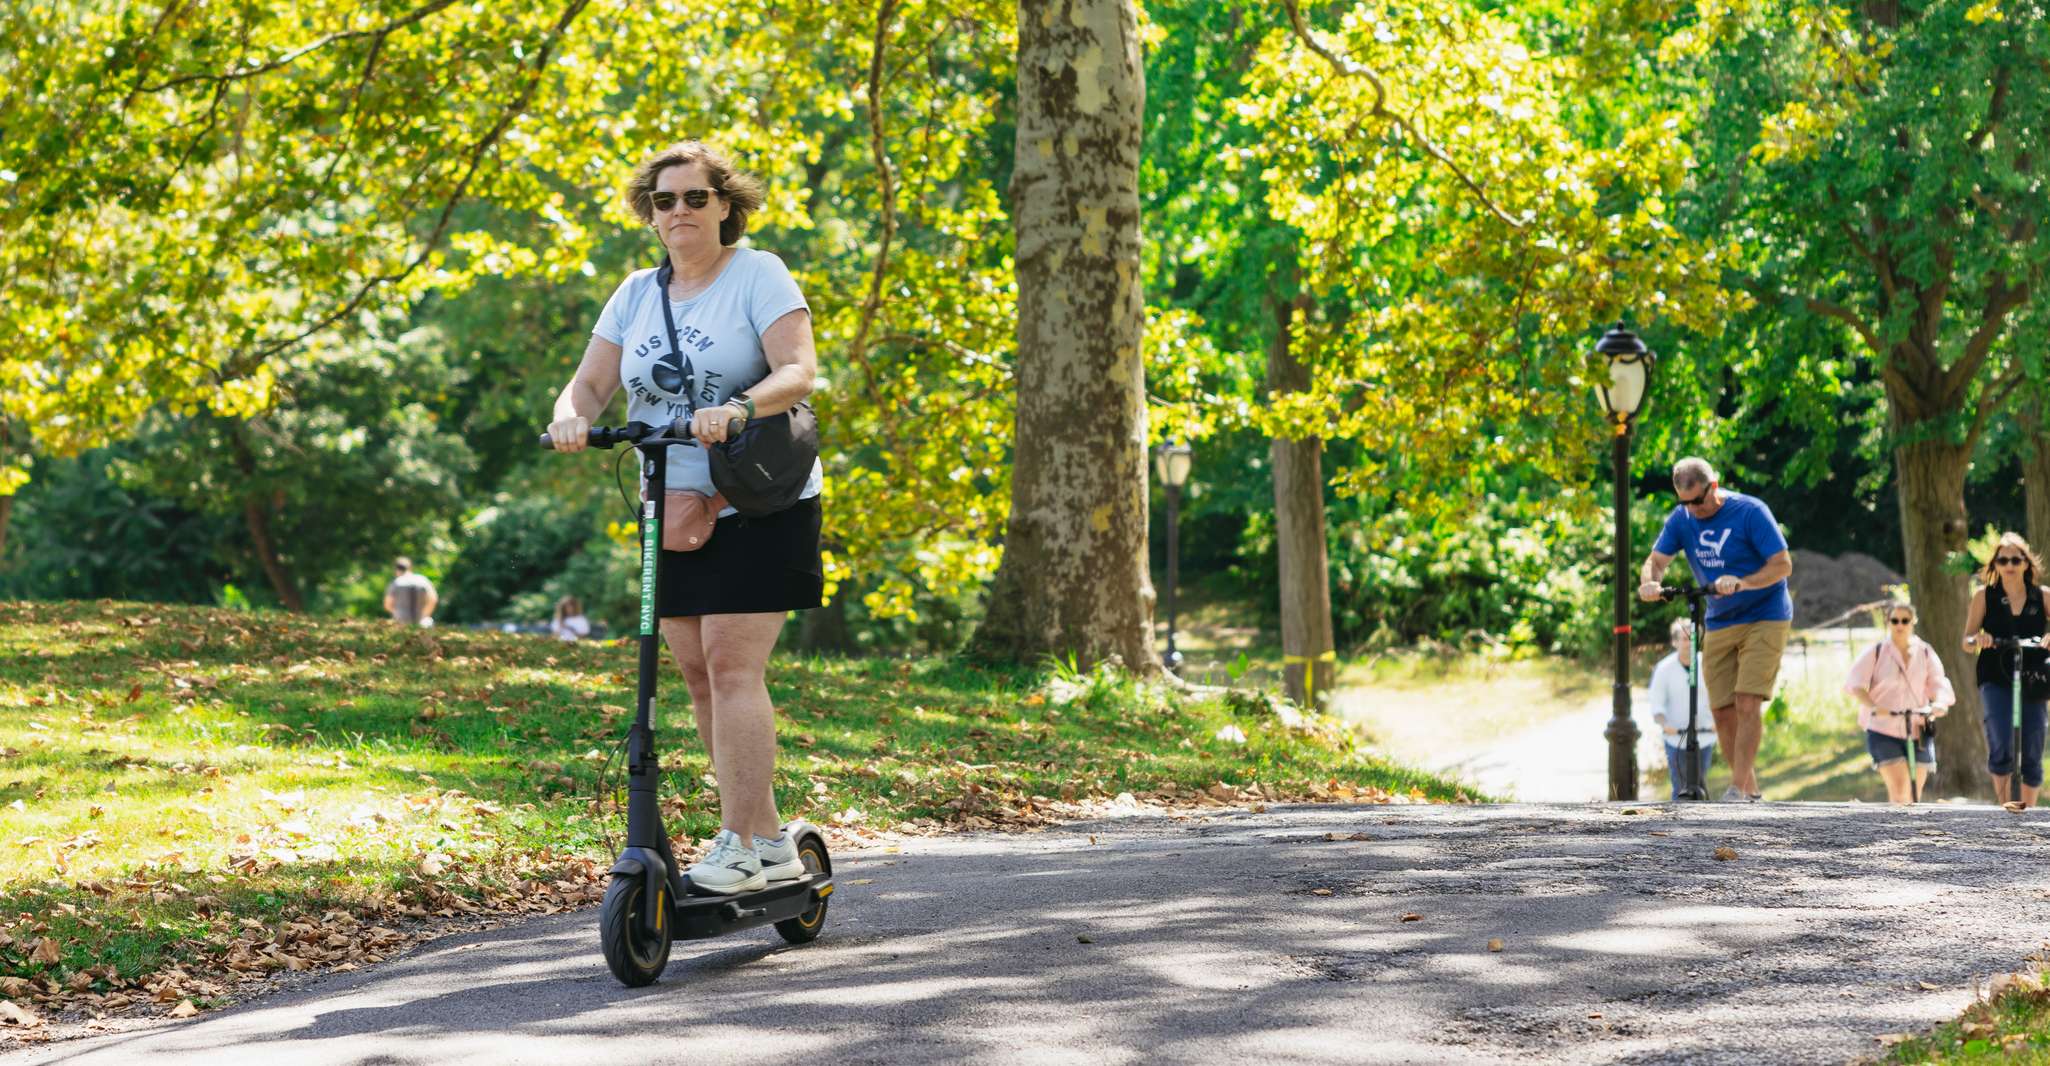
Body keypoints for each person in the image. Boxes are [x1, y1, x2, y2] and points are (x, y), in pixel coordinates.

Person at [546, 141, 823, 893]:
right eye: (664, 200)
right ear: (651, 213)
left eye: (695, 197)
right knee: (699, 678)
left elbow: (798, 370)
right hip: (669, 504)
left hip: (757, 498)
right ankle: (769, 841)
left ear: (725, 205)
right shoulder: (637, 292)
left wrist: (738, 407)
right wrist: (571, 416)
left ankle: (738, 842)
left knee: (732, 667)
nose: (679, 212)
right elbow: (589, 384)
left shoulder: (758, 274)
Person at [1637, 457, 1793, 802]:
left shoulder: (1750, 512)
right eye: (1685, 502)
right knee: (1722, 710)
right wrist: (1651, 582)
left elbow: (1783, 565)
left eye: (1697, 500)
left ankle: (1737, 789)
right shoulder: (1682, 518)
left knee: (1747, 700)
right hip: (1720, 618)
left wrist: (1742, 582)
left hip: (1765, 614)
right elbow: (1656, 561)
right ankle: (1751, 794)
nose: (1692, 509)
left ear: (1714, 487)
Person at [1963, 533, 2049, 808]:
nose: (2009, 565)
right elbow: (1966, 640)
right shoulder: (1984, 596)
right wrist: (1979, 639)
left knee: (2034, 740)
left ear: (2026, 563)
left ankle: (2028, 812)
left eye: (2015, 559)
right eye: (2002, 560)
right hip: (1995, 675)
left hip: (2034, 677)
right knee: (2000, 737)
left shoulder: (2042, 596)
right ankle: (2008, 810)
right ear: (1995, 565)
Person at [1844, 602, 1954, 804]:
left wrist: (1939, 703)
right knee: (1899, 790)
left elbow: (1938, 683)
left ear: (1913, 622)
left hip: (1918, 728)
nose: (1900, 625)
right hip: (1883, 729)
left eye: (1905, 620)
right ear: (1888, 622)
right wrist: (1875, 707)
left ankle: (1912, 824)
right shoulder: (1877, 651)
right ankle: (1895, 824)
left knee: (1914, 794)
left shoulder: (1925, 652)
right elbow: (1855, 684)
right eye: (1895, 620)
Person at [1646, 618, 1717, 800]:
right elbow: (1656, 704)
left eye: (1693, 639)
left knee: (1700, 784)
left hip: (1704, 736)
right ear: (1675, 641)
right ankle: (1679, 816)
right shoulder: (1664, 669)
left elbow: (1719, 695)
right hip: (1676, 739)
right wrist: (1665, 724)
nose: (1689, 643)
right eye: (1685, 639)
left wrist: (1718, 721)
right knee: (1680, 786)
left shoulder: (1708, 665)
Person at [383, 558, 438, 627]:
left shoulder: (396, 583)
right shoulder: (423, 580)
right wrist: (424, 615)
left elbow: (387, 604)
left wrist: (397, 613)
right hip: (422, 623)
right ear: (410, 568)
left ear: (396, 569)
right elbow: (433, 599)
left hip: (401, 623)